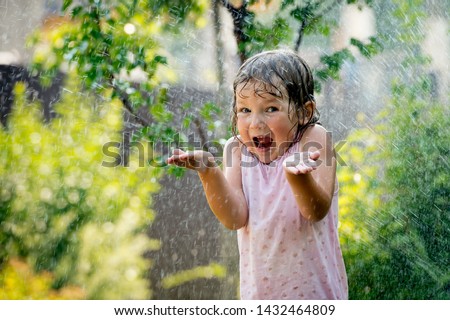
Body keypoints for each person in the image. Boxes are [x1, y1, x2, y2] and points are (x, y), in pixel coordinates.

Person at [167, 49, 348, 300]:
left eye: (271, 108)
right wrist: (208, 171)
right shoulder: (237, 149)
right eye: (244, 110)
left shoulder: (314, 139)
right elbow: (234, 217)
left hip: (313, 297)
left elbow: (315, 210)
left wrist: (299, 177)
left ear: (305, 112)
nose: (255, 123)